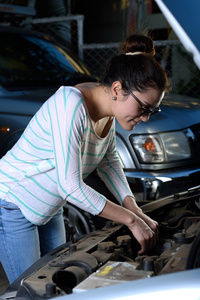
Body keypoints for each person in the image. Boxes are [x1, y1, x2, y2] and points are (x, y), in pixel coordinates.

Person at [0, 34, 170, 284]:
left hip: (49, 206)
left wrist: (133, 206)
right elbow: (71, 185)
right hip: (13, 203)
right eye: (143, 108)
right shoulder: (70, 105)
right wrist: (130, 220)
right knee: (30, 289)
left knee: (60, 282)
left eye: (152, 110)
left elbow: (109, 163)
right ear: (117, 89)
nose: (145, 118)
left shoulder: (107, 111)